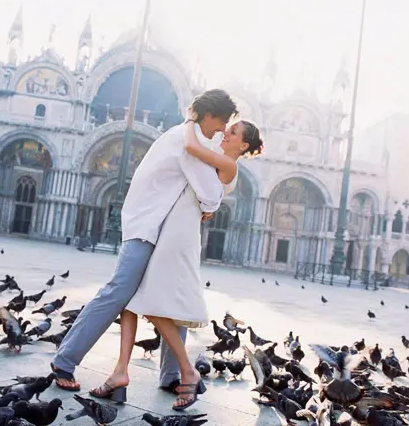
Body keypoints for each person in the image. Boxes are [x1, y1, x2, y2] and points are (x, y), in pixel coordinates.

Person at [50, 89, 238, 393]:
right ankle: (65, 360)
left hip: (156, 227)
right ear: (209, 114)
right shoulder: (186, 141)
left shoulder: (186, 135)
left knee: (170, 293)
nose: (221, 129)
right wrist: (211, 206)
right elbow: (208, 195)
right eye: (221, 121)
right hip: (147, 226)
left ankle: (170, 376)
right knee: (119, 290)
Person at [90, 117, 264, 410]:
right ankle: (121, 372)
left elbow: (189, 145)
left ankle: (187, 370)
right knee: (133, 300)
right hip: (167, 227)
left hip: (178, 234)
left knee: (145, 301)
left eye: (232, 132)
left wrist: (191, 121)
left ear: (243, 144)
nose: (225, 132)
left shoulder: (228, 165)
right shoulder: (218, 161)